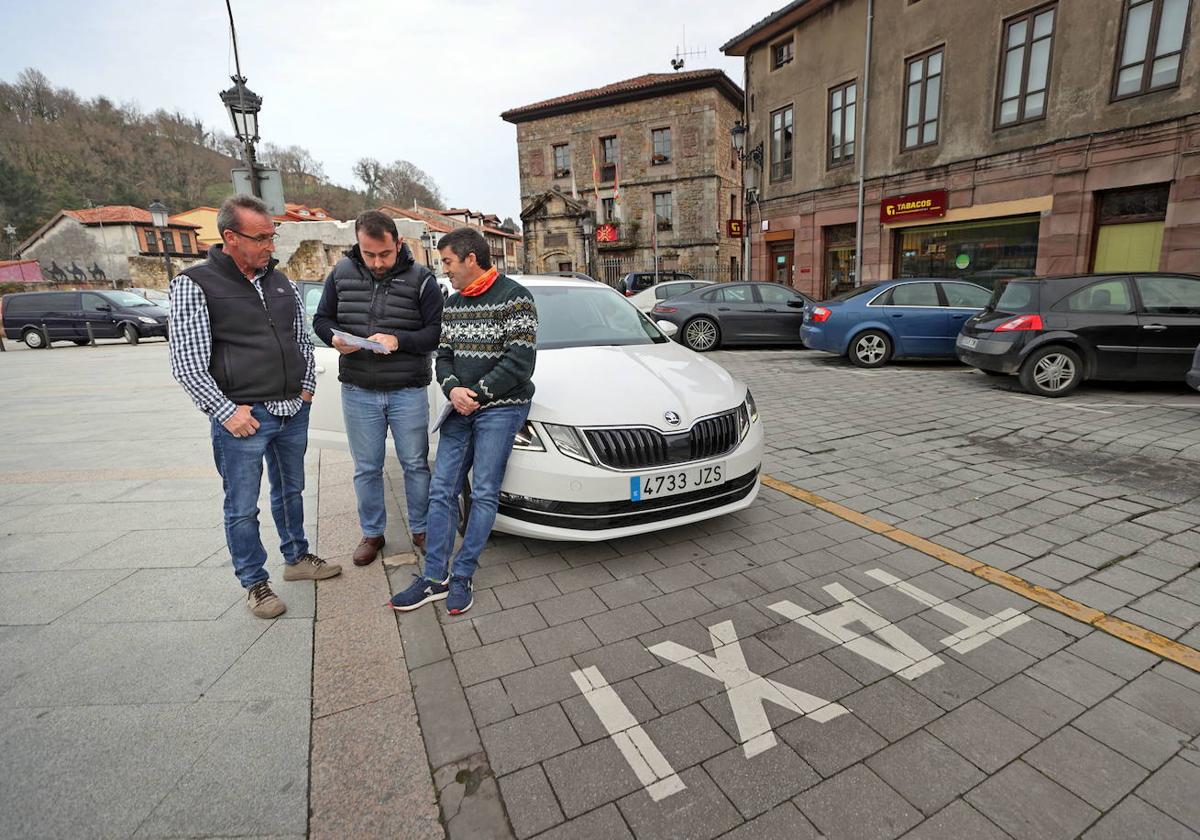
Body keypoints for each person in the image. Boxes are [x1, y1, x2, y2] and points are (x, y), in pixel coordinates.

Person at [169, 194, 341, 619]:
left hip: (291, 410)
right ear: (230, 237)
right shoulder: (195, 284)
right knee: (242, 506)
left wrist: (304, 389)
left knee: (291, 491)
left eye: (273, 235)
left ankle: (297, 559)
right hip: (243, 418)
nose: (270, 245)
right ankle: (255, 584)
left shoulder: (280, 281)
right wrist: (227, 412)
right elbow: (187, 363)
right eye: (261, 237)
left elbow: (301, 338)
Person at [390, 227, 537, 615]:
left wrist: (479, 394)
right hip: (461, 407)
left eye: (449, 262)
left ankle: (463, 573)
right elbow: (445, 355)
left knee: (485, 491)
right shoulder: (453, 303)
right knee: (442, 491)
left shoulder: (516, 298)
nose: (446, 270)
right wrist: (454, 389)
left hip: (502, 408)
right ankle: (434, 577)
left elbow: (520, 361)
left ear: (471, 259)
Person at [312, 211, 443, 566]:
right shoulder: (340, 274)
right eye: (369, 254)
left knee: (415, 463)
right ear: (358, 244)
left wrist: (398, 340)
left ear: (397, 243)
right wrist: (334, 339)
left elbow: (435, 333)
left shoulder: (422, 279)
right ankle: (372, 533)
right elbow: (321, 319)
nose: (377, 262)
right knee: (366, 467)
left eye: (384, 254)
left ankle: (422, 529)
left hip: (408, 389)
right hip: (358, 388)